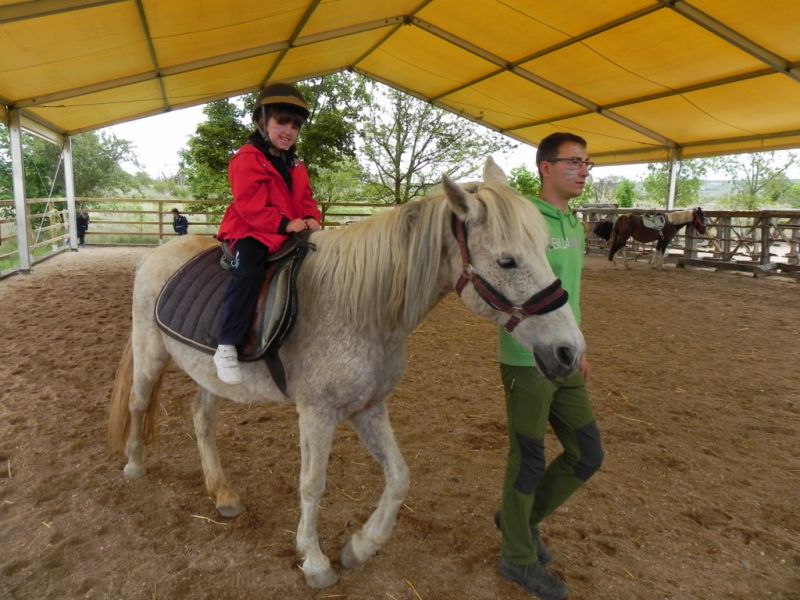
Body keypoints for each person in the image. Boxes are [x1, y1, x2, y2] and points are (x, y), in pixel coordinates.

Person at [495, 132, 604, 600]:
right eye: (574, 162)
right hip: (527, 359)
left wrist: (579, 348)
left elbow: (569, 295)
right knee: (528, 458)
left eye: (587, 163)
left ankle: (517, 520)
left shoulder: (573, 223)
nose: (583, 171)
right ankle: (517, 557)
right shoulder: (525, 220)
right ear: (545, 167)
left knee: (587, 453)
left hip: (565, 356)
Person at [213, 82, 322, 385]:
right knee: (248, 271)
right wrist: (284, 224)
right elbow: (250, 204)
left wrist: (311, 218)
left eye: (295, 126)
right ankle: (227, 344)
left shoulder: (296, 165)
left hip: (289, 228)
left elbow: (306, 199)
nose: (288, 131)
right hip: (252, 229)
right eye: (281, 123)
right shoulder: (246, 158)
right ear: (263, 123)